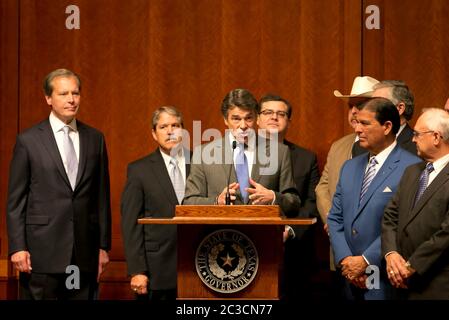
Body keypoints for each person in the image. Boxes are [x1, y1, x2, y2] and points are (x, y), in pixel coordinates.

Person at [6, 68, 111, 300]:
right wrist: (17, 247)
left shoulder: (96, 139)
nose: (71, 99)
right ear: (48, 99)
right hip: (41, 253)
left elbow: (102, 197)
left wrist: (103, 247)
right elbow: (16, 200)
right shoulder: (28, 141)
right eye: (63, 94)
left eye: (75, 93)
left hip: (84, 254)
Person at [327, 97, 421, 300]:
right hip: (348, 278)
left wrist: (365, 261)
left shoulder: (412, 168)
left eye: (365, 123)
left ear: (387, 127)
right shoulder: (349, 167)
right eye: (357, 122)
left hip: (384, 278)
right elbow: (335, 218)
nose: (357, 129)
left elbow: (405, 225)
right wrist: (347, 261)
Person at [183, 88, 300, 216]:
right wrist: (216, 201)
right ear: (225, 120)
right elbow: (189, 202)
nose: (243, 125)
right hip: (220, 233)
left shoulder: (279, 152)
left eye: (248, 118)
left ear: (256, 117)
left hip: (263, 233)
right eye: (236, 119)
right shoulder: (203, 154)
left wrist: (273, 197)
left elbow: (294, 204)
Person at [315, 75, 379, 297]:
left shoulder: (387, 147)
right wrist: (331, 220)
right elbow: (322, 187)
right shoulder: (339, 146)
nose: (354, 112)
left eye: (360, 106)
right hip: (340, 248)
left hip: (373, 252)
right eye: (351, 106)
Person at [121, 106, 190, 300]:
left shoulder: (201, 163)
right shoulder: (139, 170)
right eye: (163, 127)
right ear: (154, 133)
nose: (170, 131)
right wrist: (137, 270)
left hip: (199, 266)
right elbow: (131, 224)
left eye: (175, 126)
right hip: (156, 271)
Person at [256, 94, 320, 300]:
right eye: (267, 112)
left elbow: (311, 202)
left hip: (294, 253)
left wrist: (290, 230)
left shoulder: (306, 158)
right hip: (247, 244)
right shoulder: (239, 154)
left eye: (281, 114)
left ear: (288, 122)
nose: (274, 117)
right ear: (257, 119)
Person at [382, 108, 449, 300]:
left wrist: (411, 266)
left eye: (417, 134)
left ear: (436, 137)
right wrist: (391, 253)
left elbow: (446, 234)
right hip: (400, 283)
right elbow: (389, 216)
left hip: (436, 284)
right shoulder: (412, 172)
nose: (412, 139)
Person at [372, 80, 417, 155]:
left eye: (379, 104)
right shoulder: (360, 146)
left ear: (399, 108)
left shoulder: (416, 145)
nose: (372, 110)